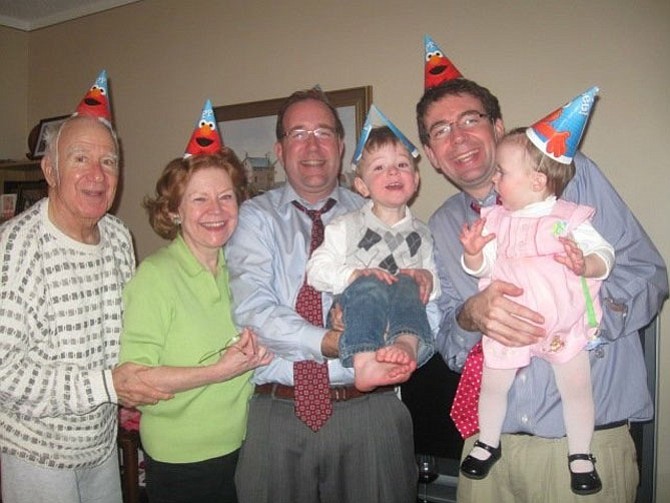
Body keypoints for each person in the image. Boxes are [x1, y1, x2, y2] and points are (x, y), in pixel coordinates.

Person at [416, 77, 668, 503]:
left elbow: (647, 274)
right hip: (487, 449)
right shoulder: (442, 226)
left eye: (470, 119)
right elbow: (448, 342)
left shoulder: (569, 176)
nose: (457, 137)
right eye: (440, 130)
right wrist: (469, 316)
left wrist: (578, 318)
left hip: (581, 447)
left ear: (498, 127)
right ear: (431, 155)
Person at [225, 88, 419, 503]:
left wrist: (405, 345)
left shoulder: (384, 214)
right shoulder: (253, 219)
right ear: (279, 150)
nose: (312, 145)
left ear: (341, 145)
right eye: (298, 133)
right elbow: (253, 310)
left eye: (323, 132)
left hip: (370, 411)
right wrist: (332, 343)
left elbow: (422, 304)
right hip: (278, 414)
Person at [0, 71, 170, 503]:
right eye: (79, 159)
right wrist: (109, 386)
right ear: (49, 170)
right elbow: (5, 372)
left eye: (108, 161)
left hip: (100, 447)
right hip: (35, 453)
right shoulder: (15, 247)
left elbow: (125, 334)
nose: (97, 174)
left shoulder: (117, 236)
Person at [118, 102, 272, 503]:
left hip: (246, 447)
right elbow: (134, 381)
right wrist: (219, 370)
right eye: (199, 199)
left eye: (226, 197)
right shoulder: (156, 276)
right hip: (182, 458)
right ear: (174, 210)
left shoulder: (239, 268)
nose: (216, 211)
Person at [458, 123, 614, 495]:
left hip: (562, 326)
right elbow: (482, 270)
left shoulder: (569, 218)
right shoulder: (495, 219)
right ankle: (487, 441)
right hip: (508, 326)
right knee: (493, 386)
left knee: (576, 388)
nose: (494, 179)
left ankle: (580, 454)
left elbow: (605, 255)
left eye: (502, 172)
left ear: (538, 180)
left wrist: (585, 264)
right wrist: (474, 253)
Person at [306, 124, 437, 392]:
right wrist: (353, 275)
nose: (392, 171)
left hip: (404, 315)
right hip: (356, 312)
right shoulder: (346, 226)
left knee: (407, 282)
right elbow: (316, 271)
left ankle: (406, 345)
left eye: (402, 164)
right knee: (371, 282)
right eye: (379, 167)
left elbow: (434, 293)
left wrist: (428, 280)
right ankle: (364, 362)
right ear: (362, 186)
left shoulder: (423, 234)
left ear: (415, 179)